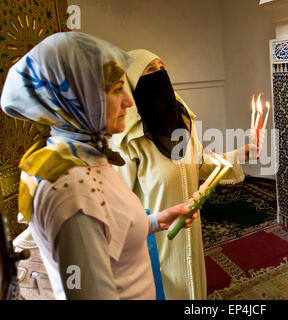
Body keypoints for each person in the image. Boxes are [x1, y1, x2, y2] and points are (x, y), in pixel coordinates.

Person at [0, 33, 195, 300]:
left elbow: (103, 230)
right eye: (116, 90)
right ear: (78, 100)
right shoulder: (69, 189)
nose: (128, 100)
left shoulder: (85, 156)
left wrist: (153, 222)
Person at [111, 49, 255, 300]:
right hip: (155, 244)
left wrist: (238, 155)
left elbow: (197, 166)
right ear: (134, 81)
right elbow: (119, 205)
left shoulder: (182, 122)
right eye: (151, 70)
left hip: (190, 232)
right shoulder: (129, 140)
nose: (160, 74)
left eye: (163, 68)